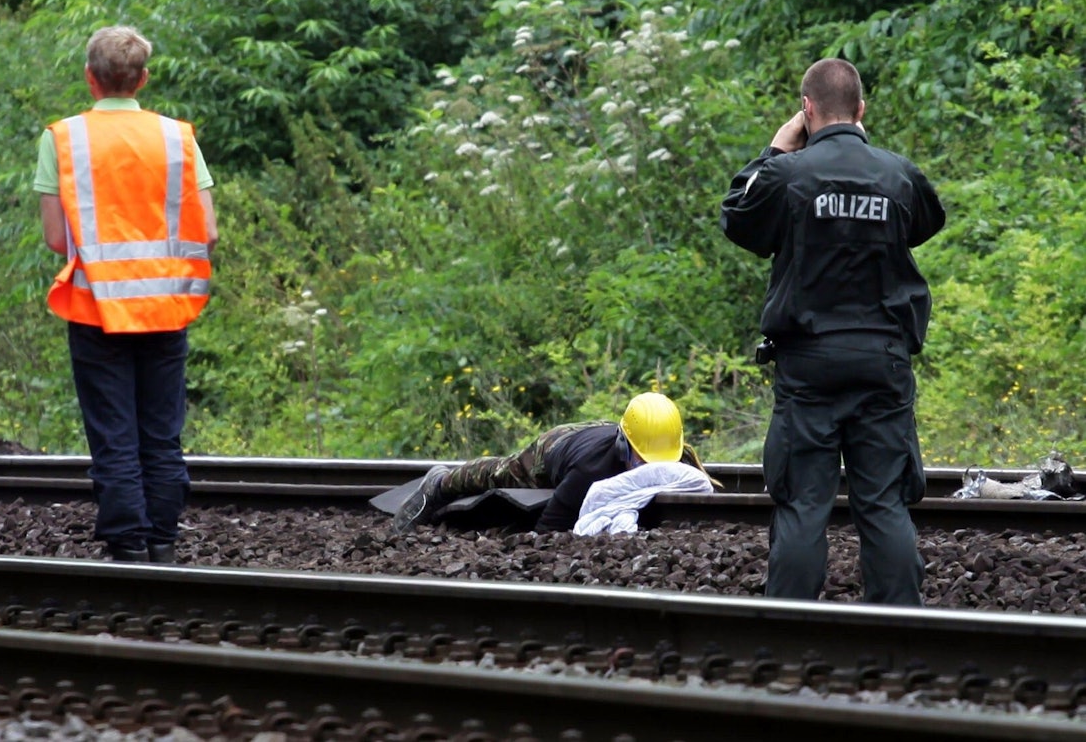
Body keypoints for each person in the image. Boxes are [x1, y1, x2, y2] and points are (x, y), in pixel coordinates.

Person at [719, 58, 945, 606]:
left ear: (806, 110)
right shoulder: (899, 174)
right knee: (884, 502)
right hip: (882, 361)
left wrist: (775, 151)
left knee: (802, 504)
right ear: (862, 111)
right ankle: (903, 634)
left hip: (809, 366)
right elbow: (927, 223)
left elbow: (737, 217)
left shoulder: (786, 175)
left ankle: (791, 633)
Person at [34, 25, 218, 564]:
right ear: (143, 78)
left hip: (96, 308)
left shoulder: (63, 138)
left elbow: (54, 238)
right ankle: (161, 536)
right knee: (161, 432)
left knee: (114, 432)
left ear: (92, 78)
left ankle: (127, 542)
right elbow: (205, 231)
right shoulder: (177, 137)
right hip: (167, 304)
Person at [392, 392, 717, 534]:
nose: (651, 468)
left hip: (597, 432)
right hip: (558, 446)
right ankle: (440, 483)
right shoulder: (590, 472)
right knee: (497, 473)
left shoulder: (672, 453)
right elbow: (550, 527)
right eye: (642, 460)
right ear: (624, 445)